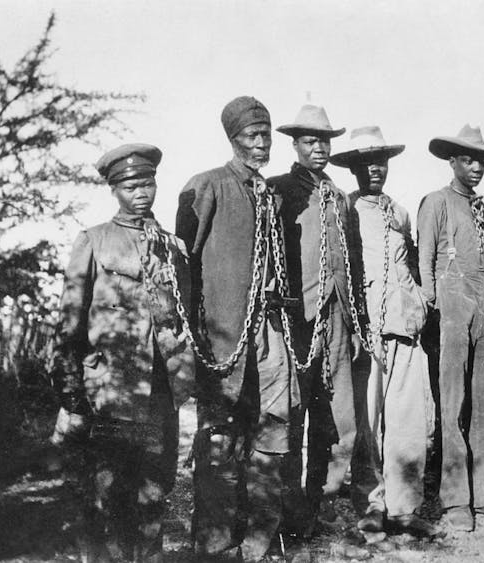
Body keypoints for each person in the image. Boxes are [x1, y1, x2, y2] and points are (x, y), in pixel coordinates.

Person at [51, 143, 194, 562]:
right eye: (130, 185)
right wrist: (71, 389)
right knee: (110, 488)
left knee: (154, 489)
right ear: (114, 189)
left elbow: (182, 319)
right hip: (111, 391)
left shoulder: (173, 248)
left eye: (147, 183)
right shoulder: (94, 241)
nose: (141, 192)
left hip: (159, 394)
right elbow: (70, 320)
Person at [176, 96, 299, 561]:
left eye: (266, 135)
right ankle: (213, 541)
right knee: (219, 435)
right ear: (233, 139)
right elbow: (183, 266)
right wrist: (194, 338)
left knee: (274, 429)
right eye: (252, 135)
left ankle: (260, 539)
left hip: (268, 332)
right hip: (221, 336)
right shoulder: (207, 187)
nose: (262, 143)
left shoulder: (273, 194)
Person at [269, 103, 370, 532]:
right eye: (311, 141)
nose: (320, 149)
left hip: (338, 322)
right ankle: (288, 514)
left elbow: (356, 261)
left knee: (334, 420)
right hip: (297, 323)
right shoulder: (278, 191)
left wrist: (358, 319)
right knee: (293, 417)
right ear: (295, 145)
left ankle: (320, 504)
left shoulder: (340, 197)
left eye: (325, 141)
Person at [331, 126, 436, 537]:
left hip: (404, 329)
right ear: (354, 168)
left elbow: (409, 263)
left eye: (380, 161)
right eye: (365, 162)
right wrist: (357, 324)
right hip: (367, 329)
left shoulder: (401, 211)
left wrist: (420, 304)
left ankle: (405, 508)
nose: (374, 169)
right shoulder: (347, 210)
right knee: (368, 423)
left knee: (407, 421)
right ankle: (371, 505)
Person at [417, 125, 484, 532]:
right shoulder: (436, 203)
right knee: (452, 405)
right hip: (451, 308)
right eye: (468, 160)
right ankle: (456, 499)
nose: (476, 168)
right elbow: (425, 262)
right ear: (452, 161)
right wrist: (435, 309)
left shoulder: (481, 209)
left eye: (480, 161)